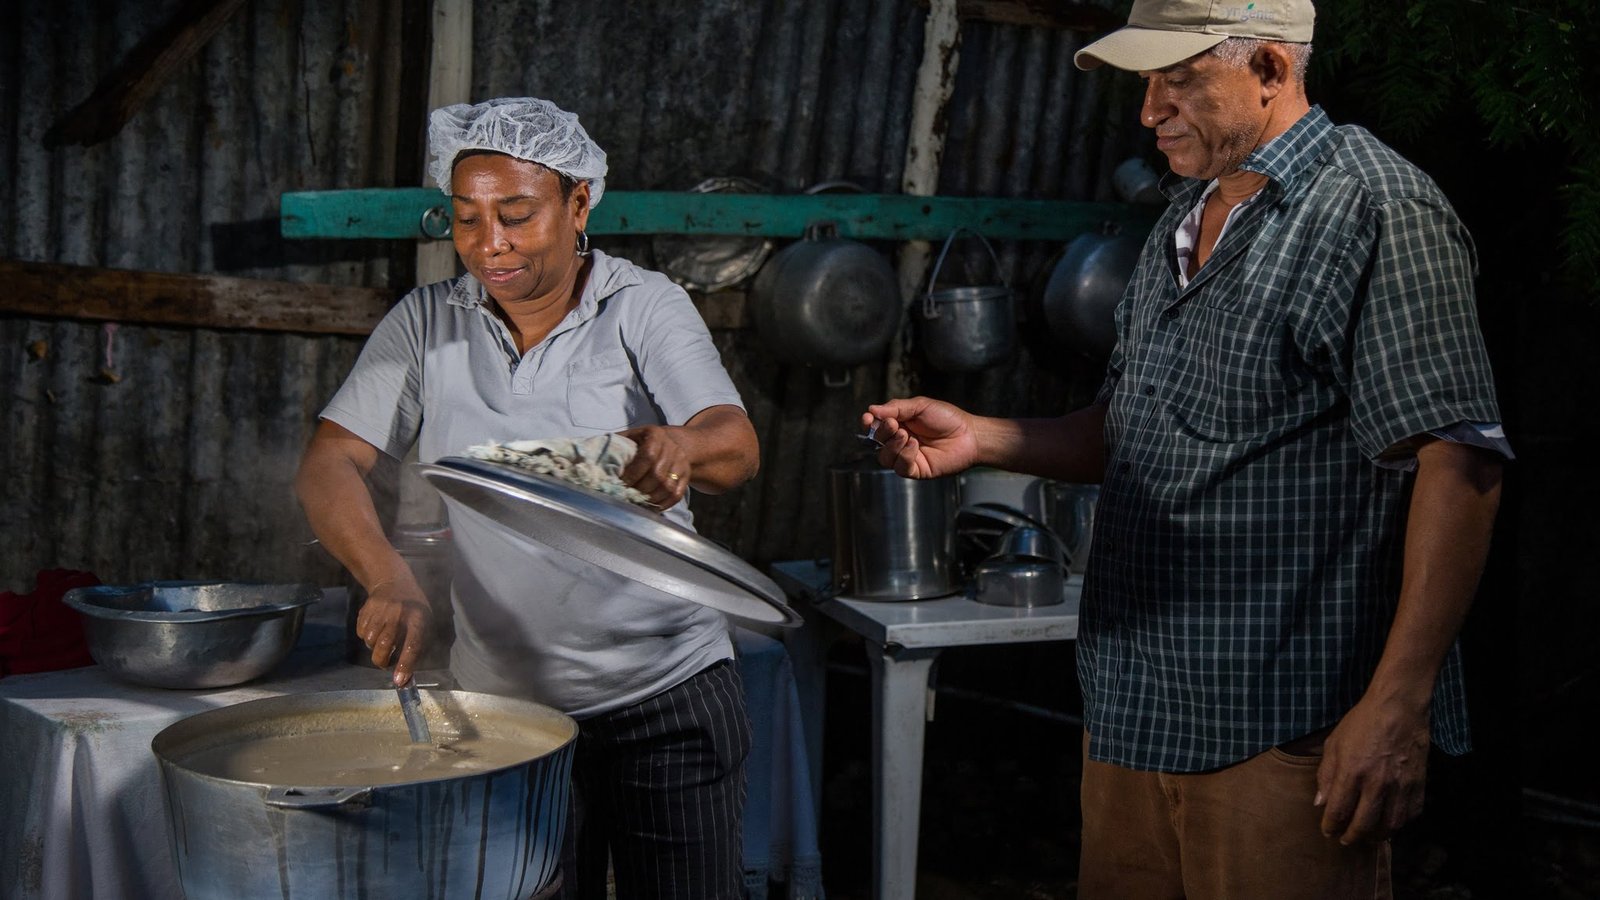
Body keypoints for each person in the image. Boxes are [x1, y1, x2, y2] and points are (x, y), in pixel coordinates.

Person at [864, 1, 1510, 897]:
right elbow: (1131, 428)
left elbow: (1459, 459)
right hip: (1137, 710)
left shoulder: (1376, 206)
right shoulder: (1186, 214)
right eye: (1146, 83)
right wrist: (983, 437)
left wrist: (1398, 706)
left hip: (1284, 728)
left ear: (1270, 70)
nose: (1150, 111)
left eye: (1179, 80)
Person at [294, 96, 760, 900]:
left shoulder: (642, 306)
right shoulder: (427, 323)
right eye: (466, 218)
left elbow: (736, 446)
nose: (490, 244)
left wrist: (681, 447)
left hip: (666, 696)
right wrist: (387, 577)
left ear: (579, 204)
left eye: (515, 215)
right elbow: (330, 461)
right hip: (504, 711)